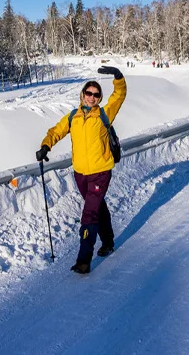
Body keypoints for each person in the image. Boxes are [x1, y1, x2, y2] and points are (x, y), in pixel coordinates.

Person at [36, 66, 126, 274]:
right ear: (83, 94)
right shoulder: (73, 117)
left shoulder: (104, 114)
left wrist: (118, 77)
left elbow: (119, 96)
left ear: (99, 97)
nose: (92, 97)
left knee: (89, 213)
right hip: (80, 174)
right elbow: (56, 131)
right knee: (97, 207)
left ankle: (84, 260)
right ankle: (108, 242)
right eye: (88, 93)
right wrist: (45, 146)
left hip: (100, 172)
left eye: (96, 94)